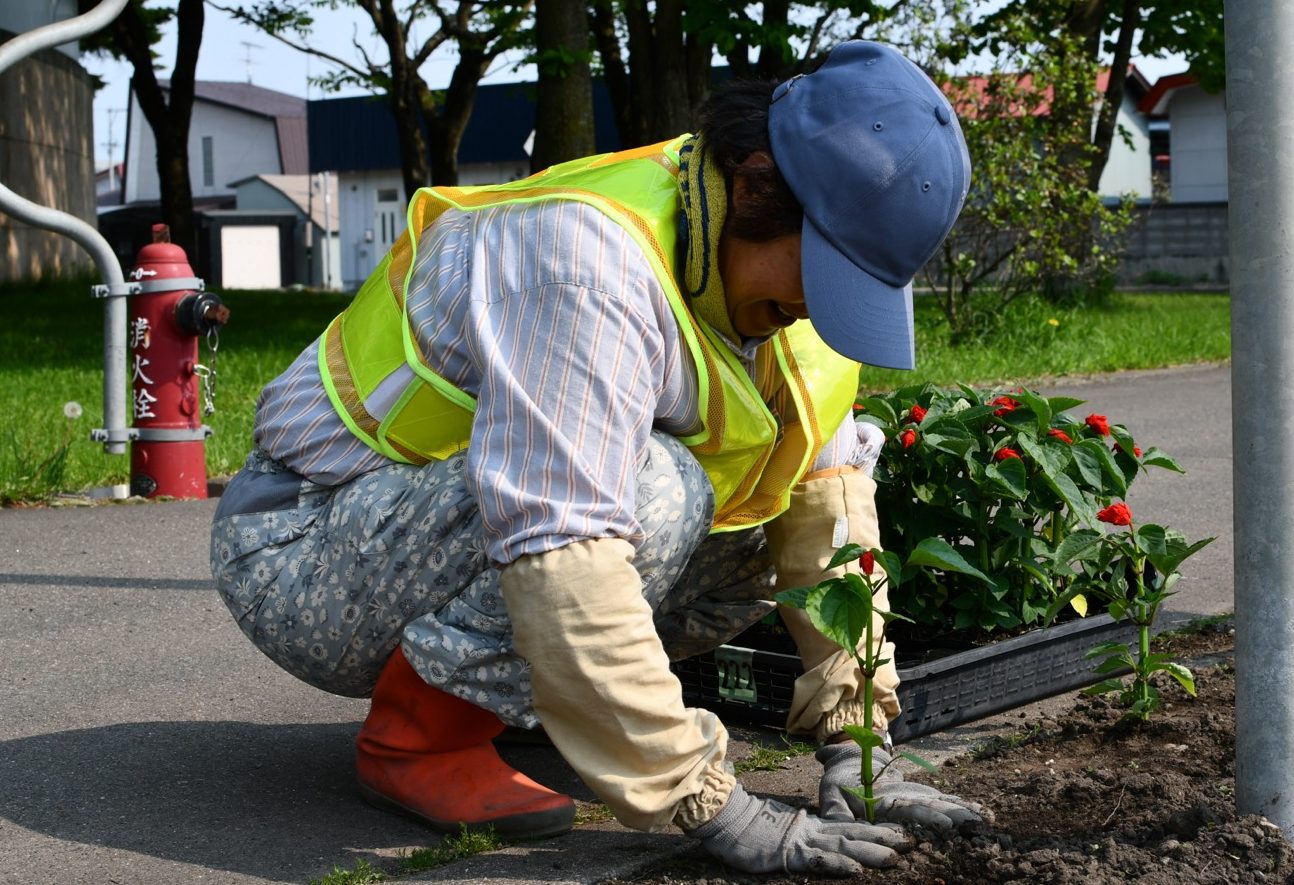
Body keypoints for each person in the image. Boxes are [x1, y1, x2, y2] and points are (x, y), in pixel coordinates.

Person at [210, 39, 984, 875]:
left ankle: (537, 699)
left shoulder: (786, 289)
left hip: (438, 533)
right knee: (658, 488)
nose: (814, 309)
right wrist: (712, 803)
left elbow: (825, 510)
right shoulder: (585, 260)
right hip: (305, 543)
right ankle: (418, 740)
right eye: (825, 277)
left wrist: (859, 749)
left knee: (758, 511)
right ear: (757, 183)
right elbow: (563, 545)